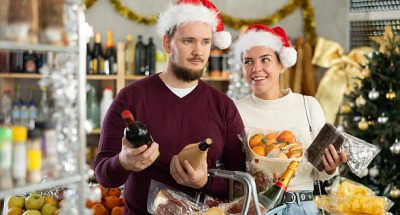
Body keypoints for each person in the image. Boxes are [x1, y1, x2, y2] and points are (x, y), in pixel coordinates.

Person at [93, 0, 246, 214]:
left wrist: (205, 182)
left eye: (205, 42)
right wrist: (123, 162)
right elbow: (102, 174)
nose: (198, 51)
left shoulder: (223, 106)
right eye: (188, 41)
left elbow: (242, 184)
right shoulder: (130, 98)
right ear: (167, 43)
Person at [233, 24, 347, 214]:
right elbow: (231, 170)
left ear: (282, 64)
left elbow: (319, 173)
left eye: (265, 60)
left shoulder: (308, 106)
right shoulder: (234, 110)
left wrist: (330, 167)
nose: (256, 68)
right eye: (248, 61)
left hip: (303, 207)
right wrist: (259, 178)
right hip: (257, 207)